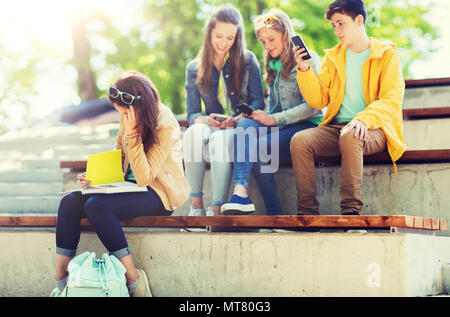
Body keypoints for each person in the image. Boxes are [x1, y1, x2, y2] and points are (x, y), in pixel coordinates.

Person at [54, 71, 190, 297]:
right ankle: (61, 282)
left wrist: (133, 135)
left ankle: (133, 279)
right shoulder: (127, 114)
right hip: (127, 187)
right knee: (69, 202)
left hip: (158, 193)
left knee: (96, 206)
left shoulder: (165, 125)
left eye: (125, 112)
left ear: (140, 107)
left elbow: (145, 177)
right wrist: (96, 178)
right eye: (119, 112)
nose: (122, 116)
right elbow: (119, 153)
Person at [290, 0, 406, 216]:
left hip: (374, 128)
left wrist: (363, 119)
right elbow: (318, 100)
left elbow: (391, 100)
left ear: (359, 20)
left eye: (341, 23)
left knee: (351, 134)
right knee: (300, 140)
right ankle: (307, 214)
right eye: (334, 25)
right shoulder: (334, 57)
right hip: (338, 128)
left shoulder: (386, 55)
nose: (336, 30)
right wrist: (304, 69)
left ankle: (351, 213)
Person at [220, 9, 323, 215]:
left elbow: (314, 106)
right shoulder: (273, 64)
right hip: (282, 125)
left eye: (271, 39)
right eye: (263, 41)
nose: (267, 45)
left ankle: (274, 213)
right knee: (245, 125)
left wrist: (273, 119)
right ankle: (240, 191)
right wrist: (254, 115)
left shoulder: (308, 58)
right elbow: (275, 107)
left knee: (258, 147)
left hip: (306, 126)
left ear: (286, 34)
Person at [182, 4, 265, 217]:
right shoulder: (194, 68)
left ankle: (217, 208)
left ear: (237, 37)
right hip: (212, 126)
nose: (223, 43)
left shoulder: (247, 61)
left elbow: (258, 102)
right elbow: (191, 113)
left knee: (219, 140)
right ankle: (197, 206)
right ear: (209, 32)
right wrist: (202, 119)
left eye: (230, 38)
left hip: (238, 128)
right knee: (192, 133)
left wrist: (238, 119)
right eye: (219, 36)